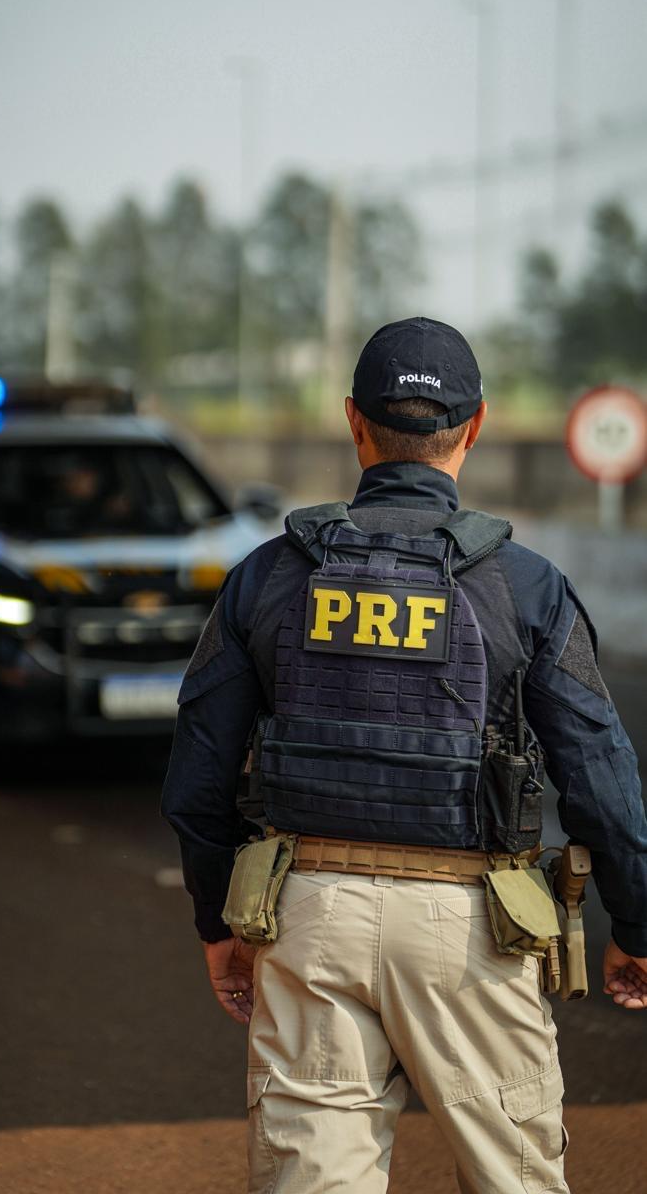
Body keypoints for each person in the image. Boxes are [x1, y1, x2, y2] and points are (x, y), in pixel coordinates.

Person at [161, 317, 647, 1194]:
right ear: (476, 425)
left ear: (354, 422)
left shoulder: (268, 576)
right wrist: (640, 925)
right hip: (473, 927)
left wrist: (215, 922)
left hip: (303, 916)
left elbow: (197, 776)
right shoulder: (525, 585)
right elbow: (599, 772)